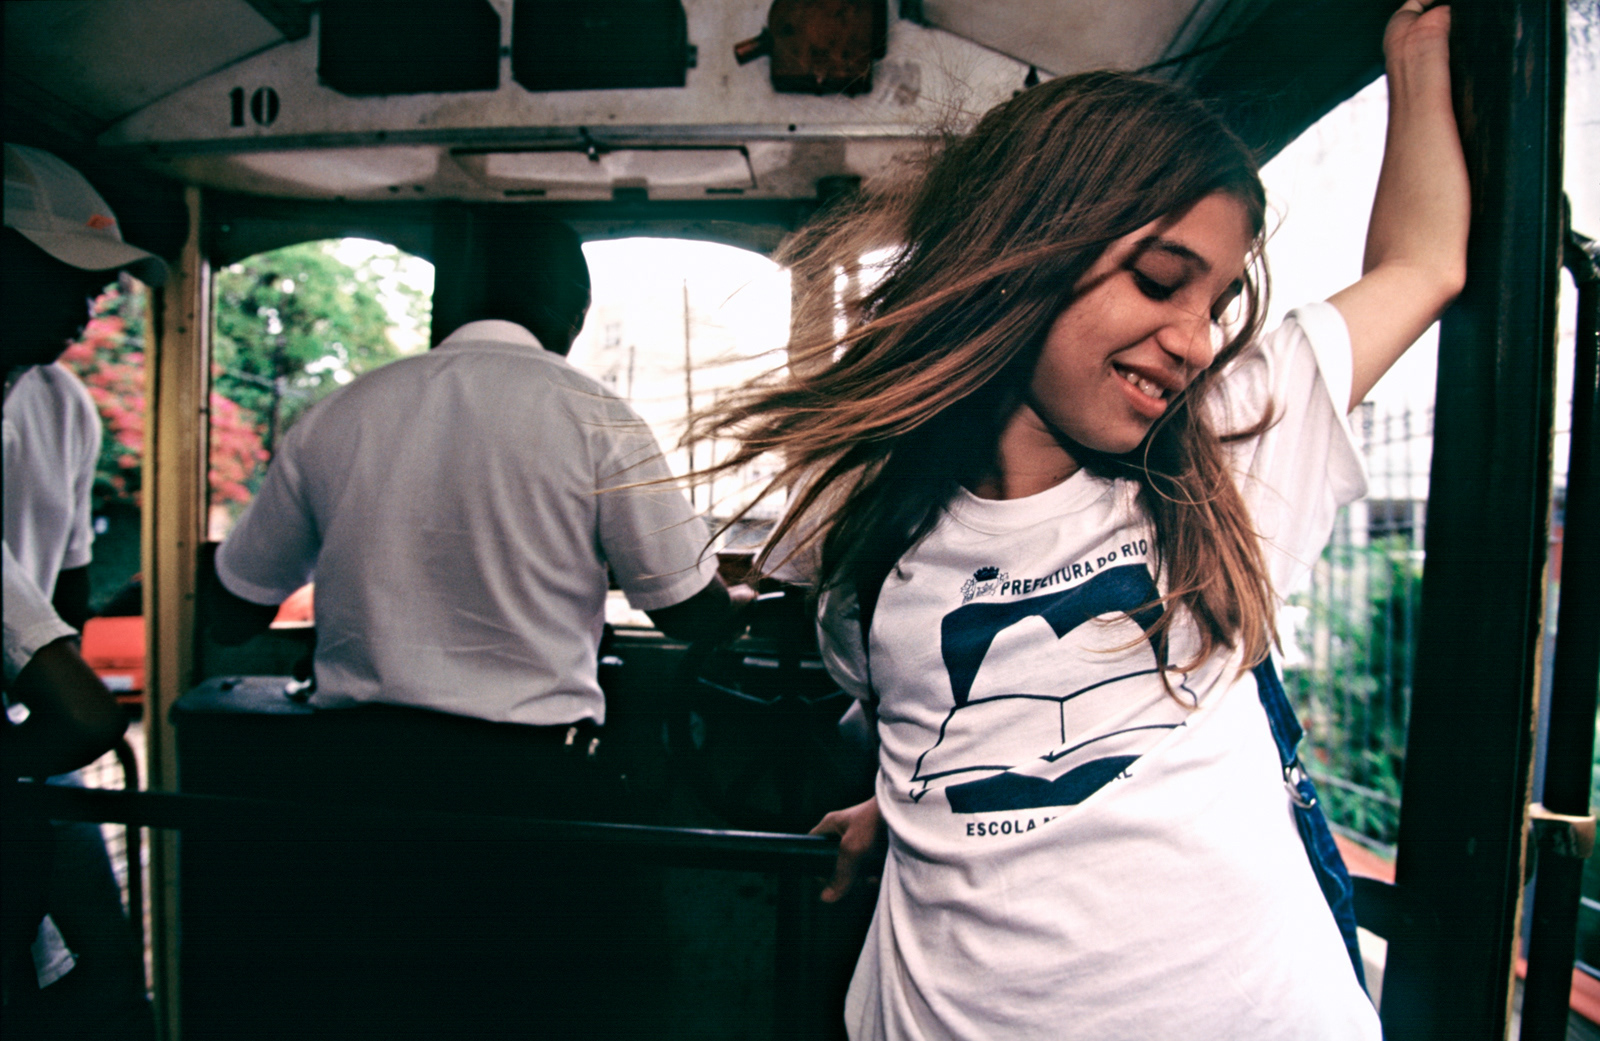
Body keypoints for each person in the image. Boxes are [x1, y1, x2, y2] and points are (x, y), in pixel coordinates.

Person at [691, 1, 1466, 1037]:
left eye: (1218, 304)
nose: (1193, 340)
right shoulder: (867, 551)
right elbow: (942, 728)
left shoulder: (1225, 453)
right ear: (1028, 247)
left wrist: (1417, 52)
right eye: (1159, 281)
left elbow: (1422, 266)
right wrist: (906, 808)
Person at [212, 216, 743, 735]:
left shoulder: (337, 413)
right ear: (577, 314)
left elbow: (238, 611)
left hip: (359, 765)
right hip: (527, 765)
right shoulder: (600, 419)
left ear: (447, 303)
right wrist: (736, 606)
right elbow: (688, 614)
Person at [3, 142, 166, 1037]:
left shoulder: (65, 405)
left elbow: (66, 596)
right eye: (68, 271)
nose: (91, 299)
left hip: (31, 746)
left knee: (101, 991)